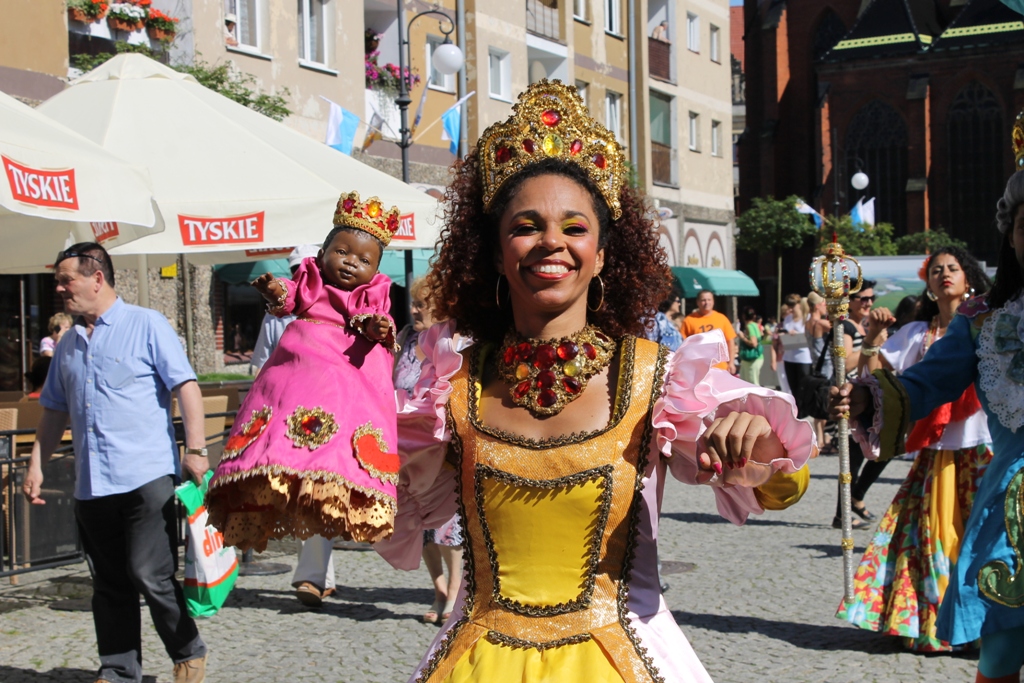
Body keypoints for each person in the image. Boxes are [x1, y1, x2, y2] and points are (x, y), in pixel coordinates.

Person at [374, 80, 815, 683]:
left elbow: (779, 485)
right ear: (496, 252)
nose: (551, 241)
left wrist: (752, 440)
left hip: (624, 659)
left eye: (574, 227)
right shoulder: (446, 388)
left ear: (604, 253)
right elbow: (380, 507)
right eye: (525, 225)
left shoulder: (659, 382)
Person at [834, 163, 1024, 682]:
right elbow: (925, 383)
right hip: (1011, 513)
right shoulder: (984, 321)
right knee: (1003, 646)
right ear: (1010, 236)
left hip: (981, 466)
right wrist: (868, 398)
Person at [22, 242, 210, 683]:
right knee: (108, 584)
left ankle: (188, 648)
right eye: (58, 283)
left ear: (97, 278)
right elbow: (53, 411)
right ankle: (120, 668)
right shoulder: (68, 343)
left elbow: (186, 386)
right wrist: (36, 464)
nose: (61, 290)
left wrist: (196, 449)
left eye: (67, 280)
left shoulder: (147, 324)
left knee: (150, 574)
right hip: (93, 483)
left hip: (146, 476)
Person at [208, 192, 402, 553]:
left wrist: (377, 327)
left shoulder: (376, 290)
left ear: (376, 269)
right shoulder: (312, 278)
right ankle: (274, 468)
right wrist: (273, 289)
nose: (349, 263)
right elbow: (292, 296)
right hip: (306, 360)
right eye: (341, 252)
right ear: (323, 253)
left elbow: (381, 317)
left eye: (363, 259)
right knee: (282, 414)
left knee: (348, 427)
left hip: (350, 362)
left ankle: (341, 481)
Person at [836, 246, 994, 652]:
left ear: (967, 276)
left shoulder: (987, 322)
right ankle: (936, 624)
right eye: (936, 269)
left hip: (984, 449)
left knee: (982, 539)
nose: (944, 274)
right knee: (930, 538)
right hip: (937, 451)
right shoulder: (916, 334)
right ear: (927, 283)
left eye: (952, 268)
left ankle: (985, 624)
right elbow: (877, 380)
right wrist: (870, 339)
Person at [248, 244, 338, 609]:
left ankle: (313, 577)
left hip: (326, 414)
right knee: (295, 496)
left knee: (316, 495)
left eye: (308, 266)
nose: (302, 273)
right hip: (283, 416)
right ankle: (320, 576)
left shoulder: (336, 310)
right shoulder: (275, 315)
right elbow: (259, 368)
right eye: (297, 268)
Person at [394, 277, 467, 625]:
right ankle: (438, 587)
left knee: (448, 526)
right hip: (406, 446)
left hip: (442, 445)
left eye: (421, 304)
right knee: (417, 522)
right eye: (414, 303)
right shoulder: (406, 340)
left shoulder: (456, 343)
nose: (414, 310)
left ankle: (454, 593)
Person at [832, 279, 888, 529]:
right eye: (862, 299)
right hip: (853, 400)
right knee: (853, 460)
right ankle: (845, 511)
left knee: (882, 451)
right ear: (850, 301)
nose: (868, 303)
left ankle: (852, 502)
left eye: (871, 298)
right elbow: (844, 364)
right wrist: (873, 343)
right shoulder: (846, 327)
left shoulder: (862, 325)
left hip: (868, 398)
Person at [680, 289, 737, 371]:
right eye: (703, 300)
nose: (707, 303)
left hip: (720, 367)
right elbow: (683, 344)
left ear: (713, 301)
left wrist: (731, 363)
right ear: (698, 302)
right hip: (698, 369)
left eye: (709, 300)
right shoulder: (689, 320)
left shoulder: (722, 318)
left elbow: (730, 341)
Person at [646, 284, 683, 351]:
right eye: (678, 301)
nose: (679, 304)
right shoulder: (658, 319)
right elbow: (650, 343)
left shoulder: (670, 322)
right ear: (670, 301)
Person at [737, 306, 763, 385]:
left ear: (744, 316)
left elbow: (753, 343)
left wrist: (743, 338)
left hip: (751, 359)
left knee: (752, 382)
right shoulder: (756, 325)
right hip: (756, 358)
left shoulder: (749, 327)